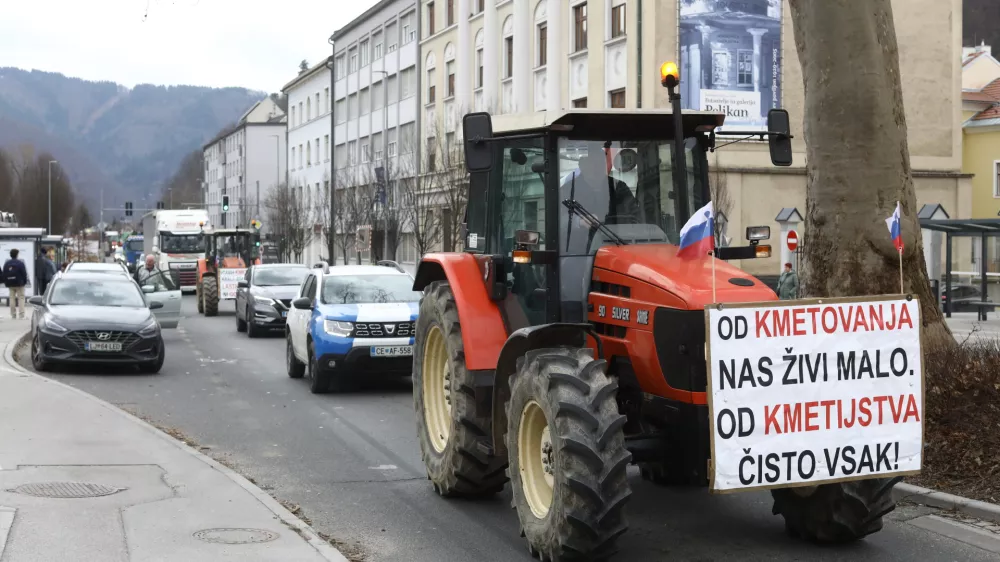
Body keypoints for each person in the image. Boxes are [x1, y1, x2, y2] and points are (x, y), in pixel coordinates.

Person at [3, 249, 29, 319]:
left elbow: (4, 274)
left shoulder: (7, 263)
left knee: (12, 298)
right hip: (19, 283)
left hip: (10, 283)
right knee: (21, 298)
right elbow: (24, 273)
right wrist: (24, 282)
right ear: (17, 255)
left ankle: (13, 314)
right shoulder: (20, 263)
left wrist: (6, 282)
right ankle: (21, 314)